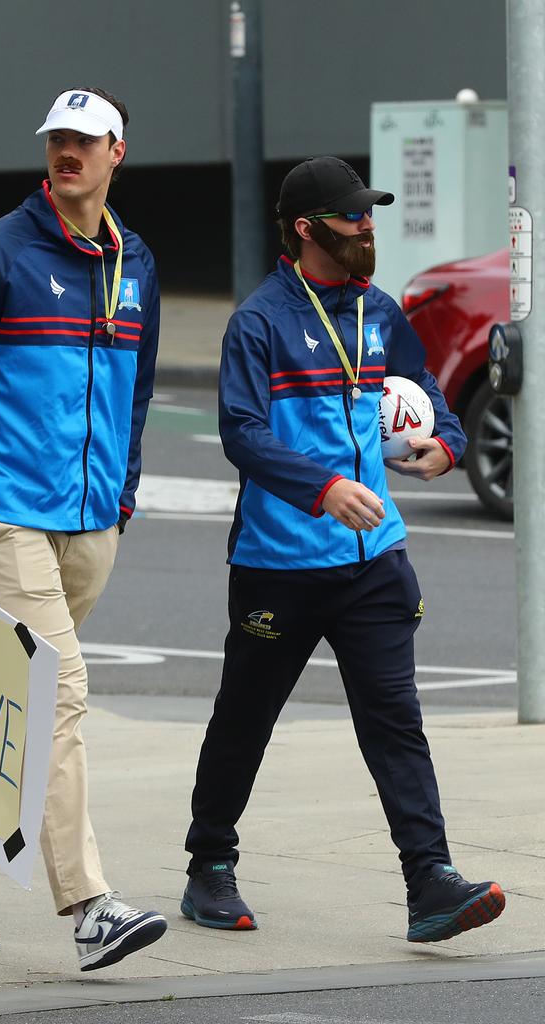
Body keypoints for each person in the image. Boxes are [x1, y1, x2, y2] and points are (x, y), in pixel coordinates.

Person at [181, 157, 506, 944]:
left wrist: (449, 444)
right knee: (246, 718)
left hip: (373, 563)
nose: (369, 227)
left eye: (371, 214)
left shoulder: (380, 315)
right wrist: (321, 487)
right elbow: (242, 433)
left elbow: (424, 392)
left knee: (396, 721)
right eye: (354, 216)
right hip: (279, 564)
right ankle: (208, 865)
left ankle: (430, 882)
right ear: (306, 229)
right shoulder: (259, 322)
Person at [0, 86, 166, 971]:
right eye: (58, 138)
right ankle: (89, 905)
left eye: (85, 140)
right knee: (62, 690)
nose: (68, 151)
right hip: (1, 505)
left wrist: (122, 492)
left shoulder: (140, 265)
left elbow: (140, 388)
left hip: (91, 519)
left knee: (23, 705)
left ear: (116, 152)